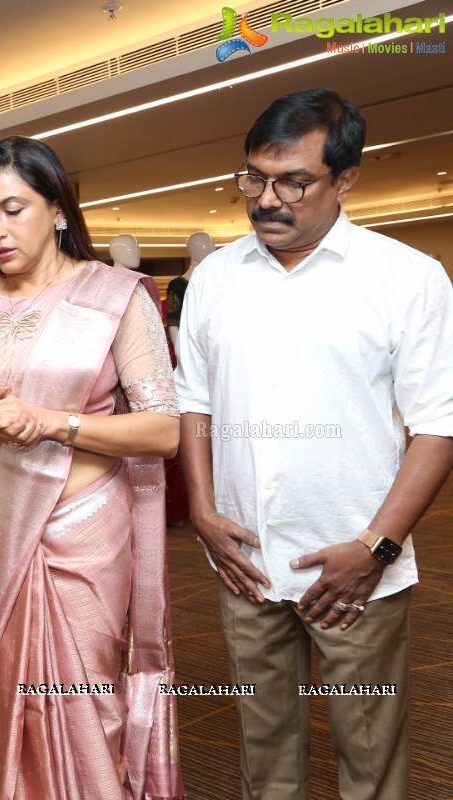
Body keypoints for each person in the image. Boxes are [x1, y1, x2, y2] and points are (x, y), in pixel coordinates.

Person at [174, 88, 453, 800]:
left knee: (370, 759)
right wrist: (203, 514)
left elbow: (439, 425)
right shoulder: (213, 278)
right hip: (247, 562)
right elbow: (194, 403)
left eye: (293, 181)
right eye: (253, 177)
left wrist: (377, 548)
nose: (266, 198)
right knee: (263, 756)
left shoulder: (407, 278)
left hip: (356, 567)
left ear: (346, 178)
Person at [0, 136, 184, 800]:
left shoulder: (117, 296)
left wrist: (54, 423)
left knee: (90, 704)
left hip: (85, 537)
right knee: (17, 706)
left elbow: (164, 430)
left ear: (57, 207)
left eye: (13, 208)